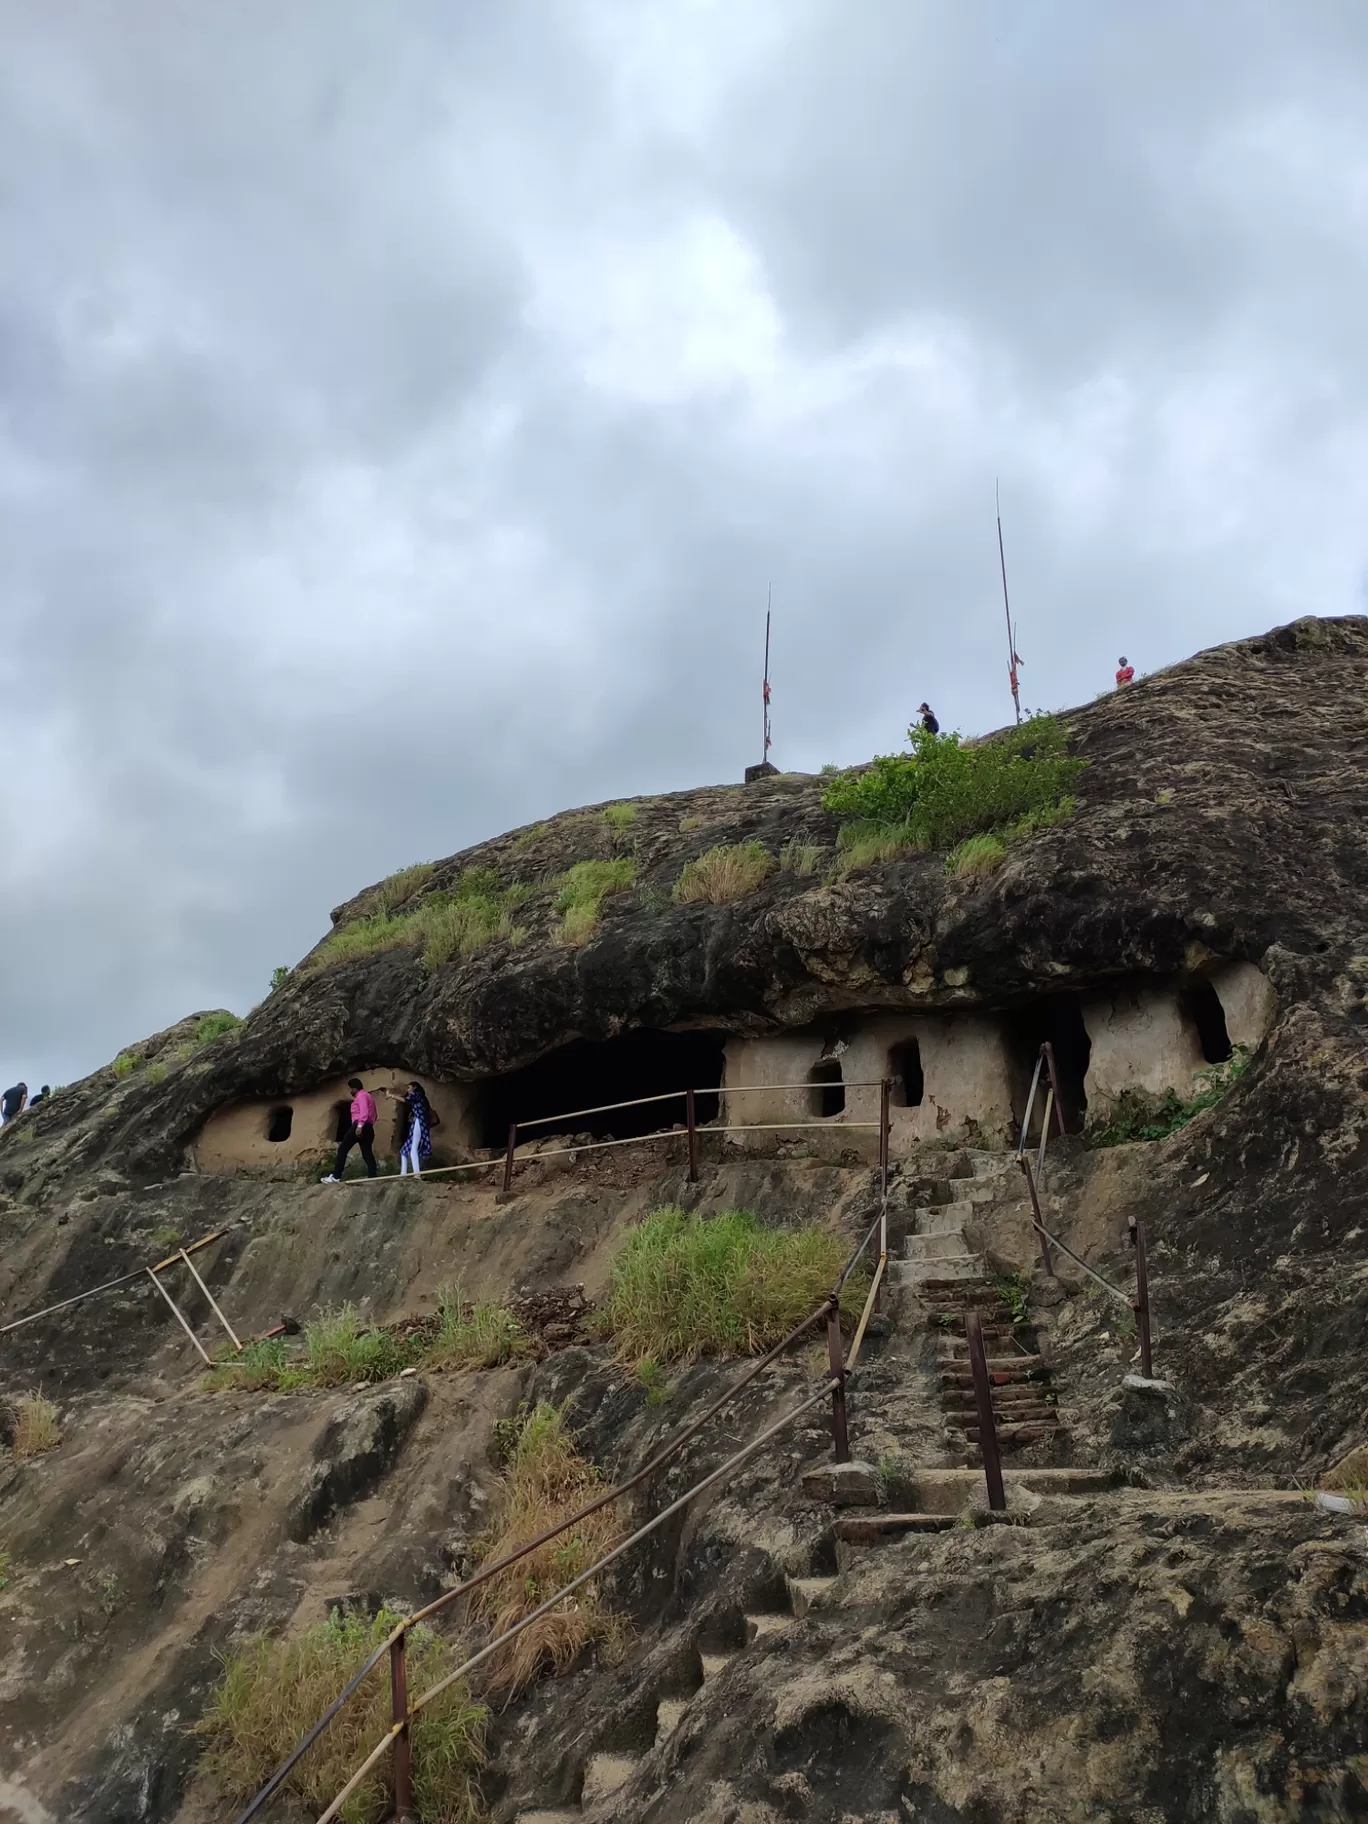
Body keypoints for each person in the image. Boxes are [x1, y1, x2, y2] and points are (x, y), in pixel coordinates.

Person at [322, 1078, 378, 1181]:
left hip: (360, 1125)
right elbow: (374, 1115)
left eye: (351, 1089)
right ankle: (373, 1175)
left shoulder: (361, 1096)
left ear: (355, 1088)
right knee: (367, 1152)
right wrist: (367, 1125)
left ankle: (336, 1176)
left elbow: (364, 1111)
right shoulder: (369, 1096)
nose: (350, 1091)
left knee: (343, 1148)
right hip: (368, 1126)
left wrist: (360, 1126)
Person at [387, 1080, 437, 1176]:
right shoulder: (422, 1098)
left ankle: (417, 1173)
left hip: (419, 1121)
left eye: (409, 1087)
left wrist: (391, 1096)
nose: (408, 1090)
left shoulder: (417, 1095)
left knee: (414, 1148)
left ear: (415, 1087)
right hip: (418, 1122)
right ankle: (403, 1173)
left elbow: (405, 1100)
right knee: (404, 1151)